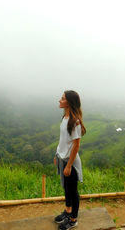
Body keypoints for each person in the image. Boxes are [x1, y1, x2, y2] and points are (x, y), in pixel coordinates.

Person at [54, 90, 86, 230]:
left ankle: (73, 220)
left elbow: (76, 145)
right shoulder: (65, 118)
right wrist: (57, 155)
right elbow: (63, 141)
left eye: (62, 98)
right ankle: (67, 212)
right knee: (67, 188)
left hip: (70, 162)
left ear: (69, 102)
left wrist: (69, 165)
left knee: (73, 191)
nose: (59, 100)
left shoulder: (75, 121)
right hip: (62, 158)